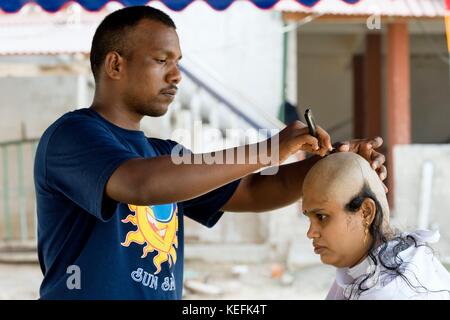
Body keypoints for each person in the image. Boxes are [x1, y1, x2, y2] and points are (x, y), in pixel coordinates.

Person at [34, 6, 386, 299]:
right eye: (161, 60)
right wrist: (268, 150)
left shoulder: (164, 153)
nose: (176, 76)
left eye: (178, 63)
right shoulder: (71, 137)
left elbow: (252, 189)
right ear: (115, 65)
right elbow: (139, 184)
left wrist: (338, 164)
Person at [302, 152, 450, 300]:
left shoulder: (392, 293)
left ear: (366, 212)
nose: (310, 233)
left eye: (321, 217)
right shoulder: (360, 268)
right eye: (309, 219)